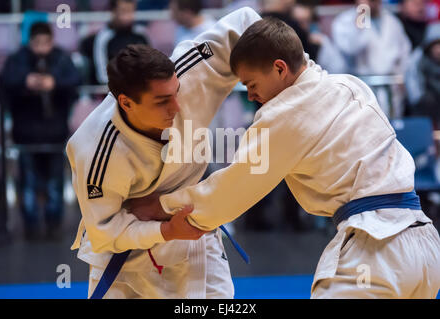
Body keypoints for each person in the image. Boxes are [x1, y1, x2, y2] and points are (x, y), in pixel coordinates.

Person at [133, 18, 440, 298]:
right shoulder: (350, 84)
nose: (251, 96)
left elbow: (229, 192)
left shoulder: (283, 115)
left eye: (252, 85)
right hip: (425, 244)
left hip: (376, 249)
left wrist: (160, 206)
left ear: (280, 68)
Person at [66, 7, 261, 299]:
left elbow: (246, 22)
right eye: (162, 101)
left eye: (176, 92)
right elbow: (104, 230)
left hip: (194, 229)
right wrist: (167, 230)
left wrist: (291, 79)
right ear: (126, 102)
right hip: (126, 253)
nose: (177, 107)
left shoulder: (190, 69)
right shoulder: (93, 149)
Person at [0, 22, 81, 241]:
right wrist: (26, 81)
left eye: (45, 43)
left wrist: (54, 83)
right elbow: (4, 82)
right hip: (26, 134)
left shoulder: (62, 59)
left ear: (51, 41)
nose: (41, 48)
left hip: (55, 134)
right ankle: (31, 226)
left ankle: (54, 225)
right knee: (28, 184)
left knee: (55, 183)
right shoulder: (18, 60)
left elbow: (75, 81)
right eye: (37, 43)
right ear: (30, 42)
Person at [331, 0, 412, 118]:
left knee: (393, 128)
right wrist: (362, 16)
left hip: (391, 84)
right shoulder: (345, 21)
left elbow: (404, 52)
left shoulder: (391, 20)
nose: (373, 3)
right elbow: (351, 48)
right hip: (363, 83)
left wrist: (402, 76)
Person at [79, 0, 150, 84]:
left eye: (131, 11)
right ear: (113, 12)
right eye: (124, 11)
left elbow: (149, 65)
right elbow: (102, 75)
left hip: (139, 87)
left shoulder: (141, 34)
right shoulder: (103, 38)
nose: (128, 17)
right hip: (112, 89)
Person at [405, 22, 440, 128]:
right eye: (436, 45)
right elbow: (413, 86)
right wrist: (419, 99)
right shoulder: (419, 60)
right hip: (424, 106)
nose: (439, 50)